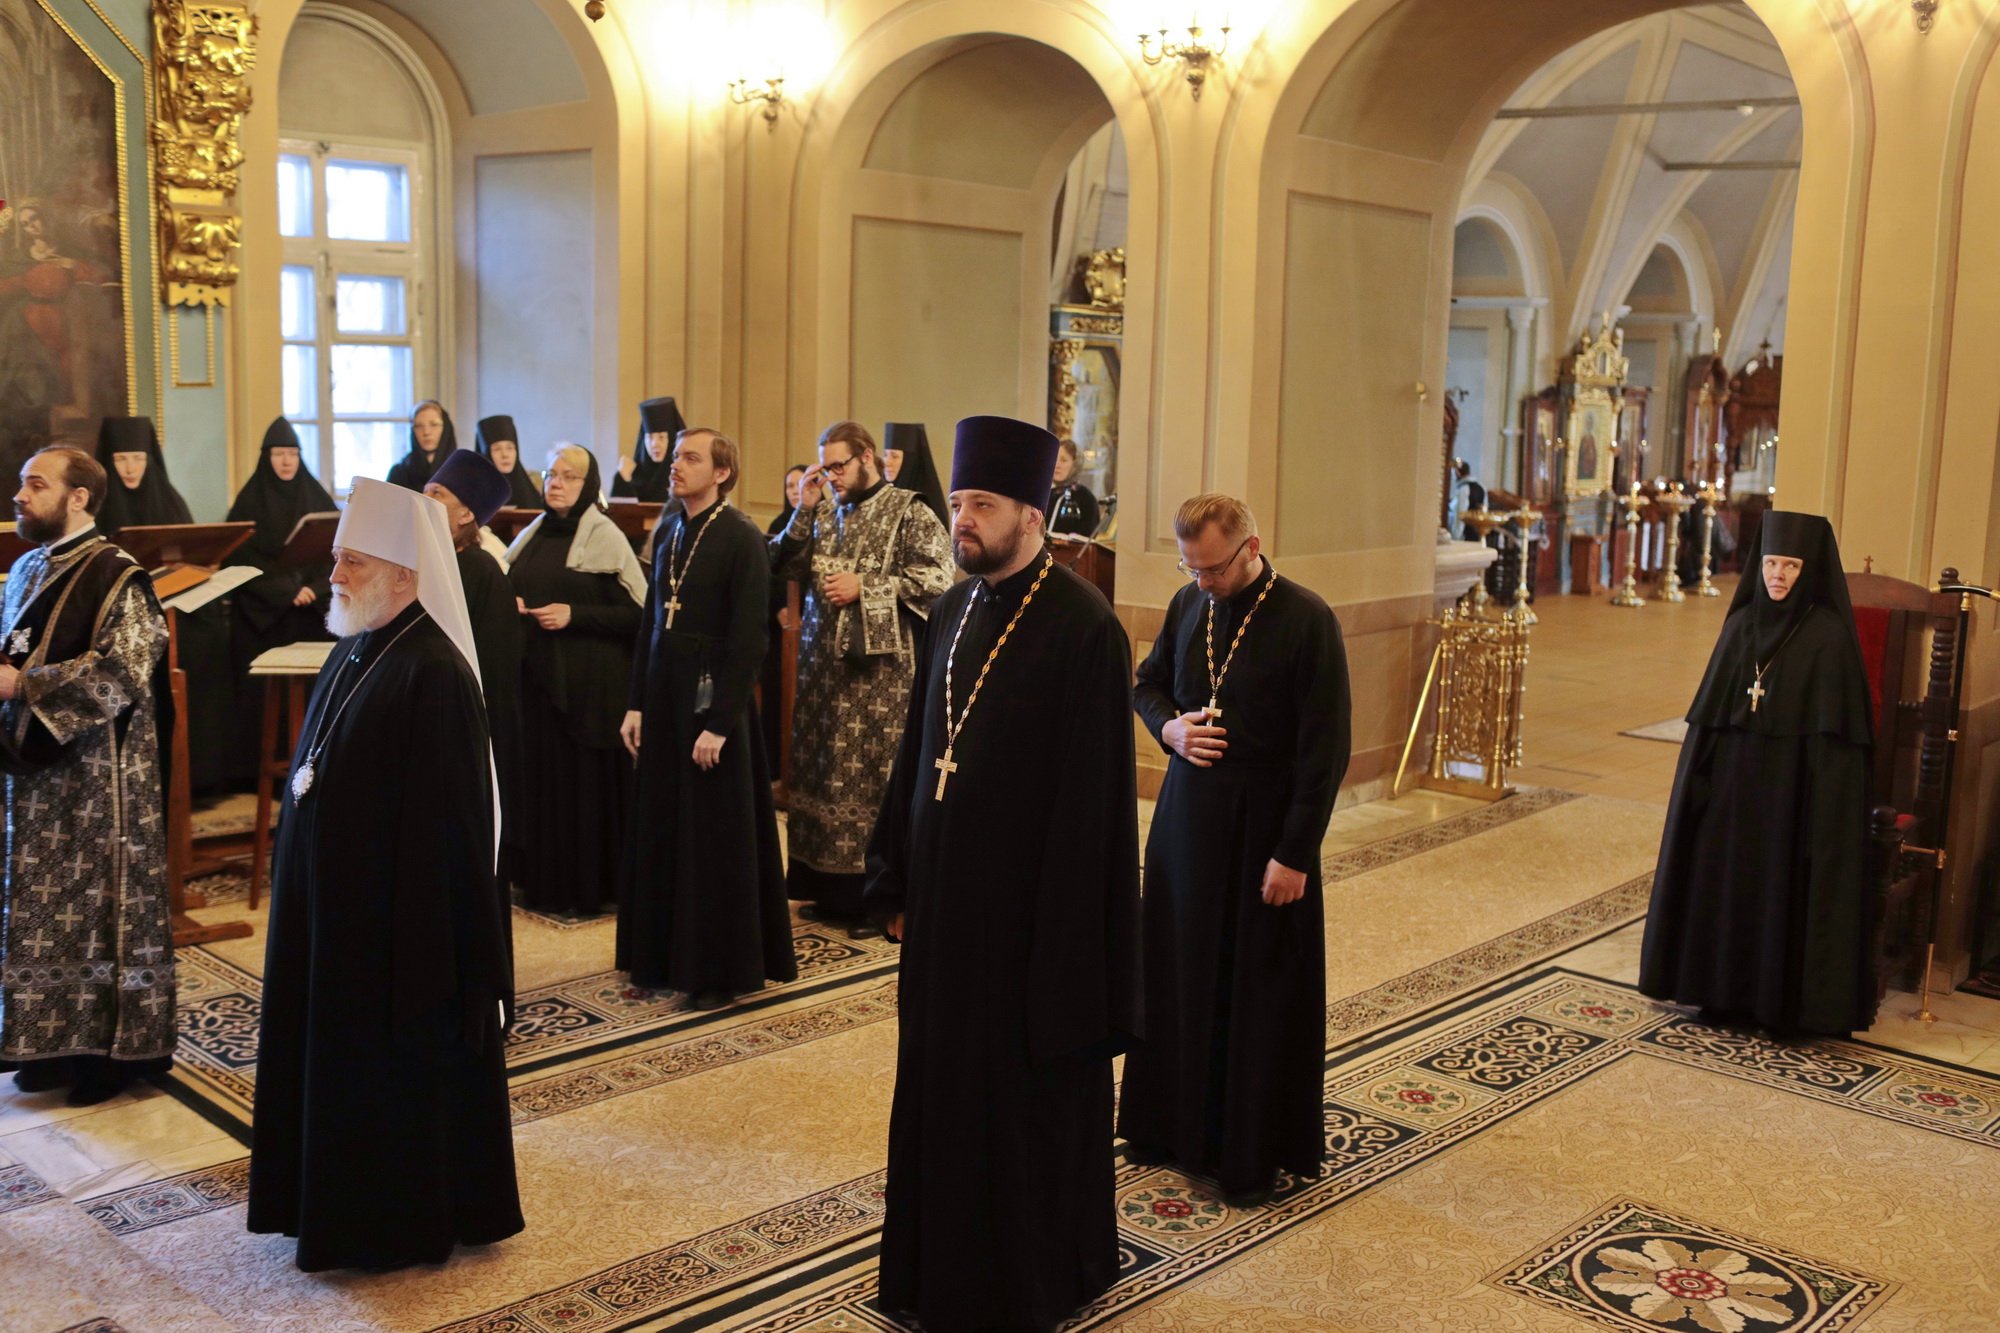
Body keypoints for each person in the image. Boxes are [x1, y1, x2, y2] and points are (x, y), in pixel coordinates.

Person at [864, 415, 1140, 1333]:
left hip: (1029, 924)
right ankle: (931, 1268)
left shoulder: (1085, 627)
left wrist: (1062, 943)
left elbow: (1093, 807)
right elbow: (920, 753)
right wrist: (898, 879)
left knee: (1020, 1104)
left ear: (1031, 513)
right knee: (939, 1089)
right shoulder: (952, 609)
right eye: (957, 503)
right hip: (945, 908)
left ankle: (1028, 1279)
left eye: (981, 504)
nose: (963, 521)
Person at [248, 478, 521, 1272]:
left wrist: (443, 954)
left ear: (405, 573)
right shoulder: (353, 647)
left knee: (385, 1081)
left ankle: (388, 1226)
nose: (334, 574)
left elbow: (454, 833)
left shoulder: (435, 671)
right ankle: (321, 1206)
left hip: (396, 935)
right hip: (330, 918)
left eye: (353, 561)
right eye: (336, 557)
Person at [1117, 494, 1351, 1208]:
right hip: (1186, 828)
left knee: (1252, 991)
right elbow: (1148, 684)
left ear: (1251, 547)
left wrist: (1295, 853)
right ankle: (1168, 1128)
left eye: (1213, 568)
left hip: (1264, 834)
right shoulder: (1190, 604)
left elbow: (1325, 751)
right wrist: (1170, 730)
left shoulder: (1306, 619)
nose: (1202, 582)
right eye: (1191, 568)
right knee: (1178, 975)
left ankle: (1244, 1150)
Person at [1640, 511, 1875, 1036]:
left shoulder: (1829, 639)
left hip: (1792, 799)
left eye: (1790, 565)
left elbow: (1837, 754)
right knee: (1723, 880)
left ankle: (1780, 1006)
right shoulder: (1739, 627)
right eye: (1770, 563)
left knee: (1782, 889)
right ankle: (1718, 993)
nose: (1778, 576)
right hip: (1732, 797)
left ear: (1808, 570)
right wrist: (1700, 794)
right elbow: (1707, 731)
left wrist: (1816, 810)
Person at [0, 447, 174, 1106]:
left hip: (102, 783)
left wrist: (25, 685)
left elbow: (123, 670)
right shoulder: (26, 567)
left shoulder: (118, 575)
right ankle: (49, 1044)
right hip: (33, 776)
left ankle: (112, 1056)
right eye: (22, 484)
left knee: (101, 915)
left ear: (78, 497)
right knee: (41, 911)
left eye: (35, 484)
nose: (20, 495)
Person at [618, 428, 793, 1008]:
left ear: (721, 473)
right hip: (664, 700)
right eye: (676, 457)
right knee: (665, 829)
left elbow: (749, 640)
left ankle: (716, 968)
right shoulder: (671, 528)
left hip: (713, 706)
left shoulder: (742, 536)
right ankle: (661, 956)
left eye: (691, 458)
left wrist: (719, 723)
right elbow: (651, 623)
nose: (676, 465)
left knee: (711, 839)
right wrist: (637, 702)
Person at [773, 421, 951, 936]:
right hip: (820, 676)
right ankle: (827, 890)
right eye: (825, 467)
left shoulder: (908, 511)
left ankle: (874, 901)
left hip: (880, 682)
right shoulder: (823, 510)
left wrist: (866, 586)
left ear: (866, 457)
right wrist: (803, 509)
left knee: (873, 782)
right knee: (820, 776)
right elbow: (781, 563)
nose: (831, 476)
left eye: (838, 466)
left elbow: (941, 579)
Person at [506, 445, 646, 916]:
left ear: (589, 485)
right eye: (552, 474)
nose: (557, 484)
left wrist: (575, 615)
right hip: (539, 684)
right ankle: (543, 882)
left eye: (569, 476)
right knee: (544, 784)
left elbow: (638, 615)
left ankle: (591, 887)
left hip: (591, 688)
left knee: (582, 788)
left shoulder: (605, 536)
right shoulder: (534, 533)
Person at [425, 450, 526, 955]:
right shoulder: (427, 564)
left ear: (467, 513)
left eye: (437, 494)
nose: (425, 500)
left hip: (464, 737)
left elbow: (491, 673)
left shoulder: (482, 572)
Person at [225, 418, 336, 782]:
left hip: (312, 614)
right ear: (266, 458)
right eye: (278, 454)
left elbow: (335, 552)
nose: (286, 461)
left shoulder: (315, 497)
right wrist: (287, 591)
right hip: (267, 618)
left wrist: (313, 589)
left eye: (292, 453)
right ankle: (262, 773)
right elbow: (239, 561)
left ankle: (316, 769)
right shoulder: (249, 502)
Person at [762, 464, 810, 771]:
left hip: (811, 624)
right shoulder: (779, 525)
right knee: (777, 697)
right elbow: (766, 578)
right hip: (779, 627)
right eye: (789, 486)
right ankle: (775, 767)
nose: (794, 492)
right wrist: (777, 608)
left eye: (799, 485)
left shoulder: (825, 523)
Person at [94, 415, 192, 536]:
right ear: (109, 462)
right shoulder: (94, 507)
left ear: (149, 461)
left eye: (138, 458)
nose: (130, 469)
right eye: (121, 459)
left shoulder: (172, 505)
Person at [613, 396, 684, 502]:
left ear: (673, 440)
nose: (654, 444)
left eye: (661, 437)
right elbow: (620, 510)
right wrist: (623, 479)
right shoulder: (634, 475)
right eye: (650, 437)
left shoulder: (683, 476)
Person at [883, 421, 947, 528]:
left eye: (894, 456)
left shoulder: (925, 508)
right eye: (885, 455)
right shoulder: (881, 498)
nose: (887, 462)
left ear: (909, 462)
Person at [386, 400, 458, 491]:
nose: (426, 432)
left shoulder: (461, 471)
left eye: (434, 424)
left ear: (446, 428)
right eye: (419, 426)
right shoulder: (399, 473)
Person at [476, 413, 543, 511]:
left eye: (510, 448)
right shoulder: (476, 492)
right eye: (497, 449)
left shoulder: (529, 489)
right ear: (486, 454)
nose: (505, 455)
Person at [1045, 438, 1101, 538]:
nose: (1057, 465)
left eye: (1063, 460)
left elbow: (1088, 538)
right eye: (1054, 458)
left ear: (1075, 464)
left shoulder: (1086, 498)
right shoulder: (1044, 493)